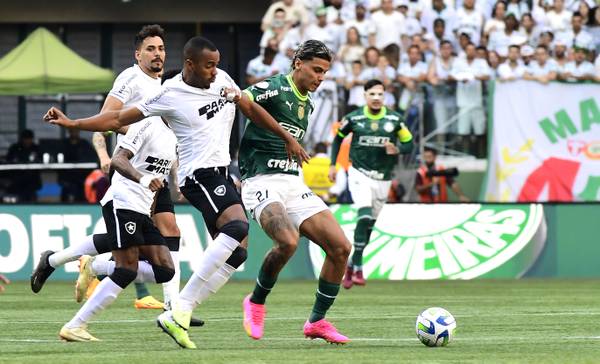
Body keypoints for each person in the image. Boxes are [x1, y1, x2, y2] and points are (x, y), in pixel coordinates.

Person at [43, 36, 308, 349]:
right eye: (208, 65)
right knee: (237, 227)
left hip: (221, 173)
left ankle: (178, 307)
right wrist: (74, 122)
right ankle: (179, 308)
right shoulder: (168, 94)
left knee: (238, 253)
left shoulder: (221, 79)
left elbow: (249, 108)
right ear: (190, 64)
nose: (215, 71)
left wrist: (286, 137)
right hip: (197, 175)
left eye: (217, 64)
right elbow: (116, 118)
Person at [238, 40, 352, 345]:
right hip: (260, 181)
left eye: (325, 72)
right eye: (316, 69)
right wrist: (285, 135)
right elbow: (244, 102)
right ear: (298, 63)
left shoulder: (308, 101)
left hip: (292, 183)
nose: (320, 77)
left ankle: (316, 322)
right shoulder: (276, 87)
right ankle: (256, 301)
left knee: (341, 248)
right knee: (287, 241)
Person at [84, 25, 185, 312]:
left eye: (161, 48)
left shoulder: (163, 86)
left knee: (169, 229)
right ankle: (94, 264)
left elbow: (168, 135)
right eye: (151, 49)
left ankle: (171, 304)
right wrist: (139, 130)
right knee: (136, 241)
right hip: (132, 169)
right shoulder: (130, 78)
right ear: (137, 54)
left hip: (156, 171)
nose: (157, 54)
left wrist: (175, 173)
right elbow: (106, 119)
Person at [329, 79, 414, 289]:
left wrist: (398, 149)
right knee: (364, 215)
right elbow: (338, 139)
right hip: (359, 172)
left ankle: (350, 265)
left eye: (380, 94)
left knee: (368, 226)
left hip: (383, 178)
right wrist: (333, 165)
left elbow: (409, 143)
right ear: (364, 96)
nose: (376, 98)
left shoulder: (395, 120)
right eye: (372, 94)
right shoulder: (354, 118)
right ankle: (358, 266)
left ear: (384, 97)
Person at [5, 129, 42, 202]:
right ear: (22, 139)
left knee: (31, 197)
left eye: (29, 139)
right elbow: (8, 161)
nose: (27, 141)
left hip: (32, 180)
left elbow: (41, 160)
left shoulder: (36, 148)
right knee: (18, 198)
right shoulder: (15, 148)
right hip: (17, 179)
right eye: (25, 139)